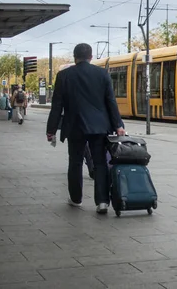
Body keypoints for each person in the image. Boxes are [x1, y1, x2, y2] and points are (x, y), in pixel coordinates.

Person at [46, 43, 125, 214]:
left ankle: (76, 198)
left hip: (74, 127)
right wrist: (118, 125)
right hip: (99, 127)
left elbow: (57, 106)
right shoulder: (102, 73)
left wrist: (51, 129)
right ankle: (102, 202)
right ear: (91, 57)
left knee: (75, 162)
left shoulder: (63, 75)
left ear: (75, 57)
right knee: (100, 163)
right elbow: (111, 102)